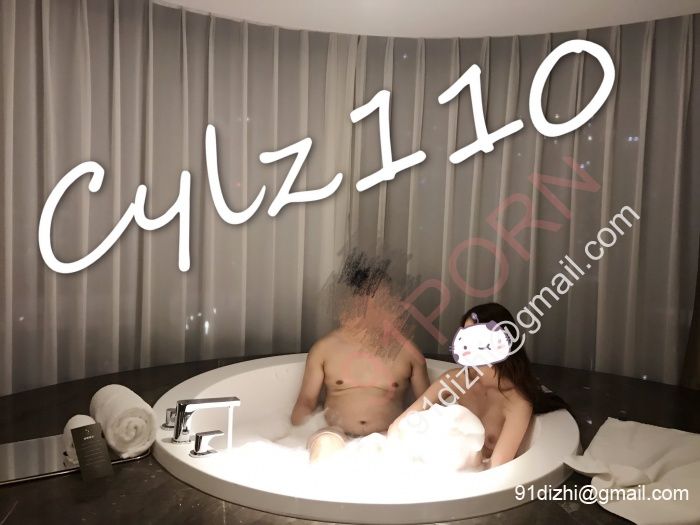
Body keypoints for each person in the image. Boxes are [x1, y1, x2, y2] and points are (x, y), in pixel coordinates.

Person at [389, 302, 570, 468]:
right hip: (444, 466)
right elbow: (400, 424)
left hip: (477, 475)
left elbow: (497, 467)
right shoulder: (456, 380)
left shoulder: (517, 402)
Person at [291, 251, 430, 462]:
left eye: (388, 298)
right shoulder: (325, 349)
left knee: (391, 458)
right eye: (377, 298)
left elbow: (427, 408)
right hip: (335, 433)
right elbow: (306, 402)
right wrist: (298, 434)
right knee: (325, 446)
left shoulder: (408, 353)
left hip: (387, 437)